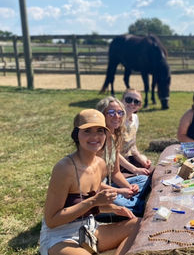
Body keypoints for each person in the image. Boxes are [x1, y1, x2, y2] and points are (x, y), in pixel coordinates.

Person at [39, 109, 140, 255]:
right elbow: (52, 220)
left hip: (90, 230)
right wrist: (94, 202)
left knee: (139, 225)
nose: (95, 136)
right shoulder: (64, 169)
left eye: (100, 131)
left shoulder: (100, 164)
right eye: (87, 131)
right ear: (76, 135)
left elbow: (89, 205)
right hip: (61, 237)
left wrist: (112, 208)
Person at [96, 96, 149, 217]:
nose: (117, 116)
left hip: (108, 186)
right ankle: (139, 205)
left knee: (143, 179)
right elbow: (93, 184)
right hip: (94, 193)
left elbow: (115, 173)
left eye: (120, 112)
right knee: (133, 207)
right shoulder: (96, 142)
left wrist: (129, 187)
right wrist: (120, 191)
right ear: (101, 115)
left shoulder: (113, 137)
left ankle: (134, 201)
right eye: (111, 112)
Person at [120, 88, 152, 177]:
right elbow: (113, 154)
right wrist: (135, 170)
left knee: (150, 169)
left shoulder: (135, 118)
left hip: (128, 159)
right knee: (143, 178)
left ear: (140, 106)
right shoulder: (116, 120)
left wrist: (142, 161)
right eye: (129, 100)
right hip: (114, 165)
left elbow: (132, 146)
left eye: (136, 102)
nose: (132, 103)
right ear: (121, 101)